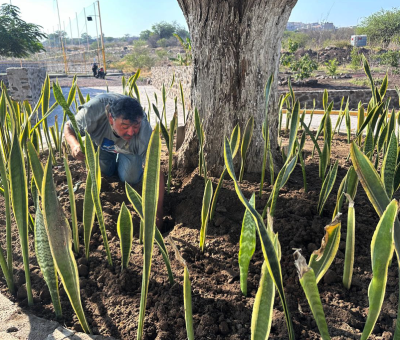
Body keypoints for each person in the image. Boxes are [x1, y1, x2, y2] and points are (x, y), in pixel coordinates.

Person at [64, 93, 165, 229]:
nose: (131, 132)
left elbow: (156, 171)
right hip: (100, 144)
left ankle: (122, 166)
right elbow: (68, 127)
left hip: (128, 150)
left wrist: (157, 213)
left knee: (131, 177)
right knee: (103, 172)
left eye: (135, 126)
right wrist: (74, 145)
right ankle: (111, 165)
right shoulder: (93, 111)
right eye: (125, 126)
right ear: (111, 119)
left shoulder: (143, 132)